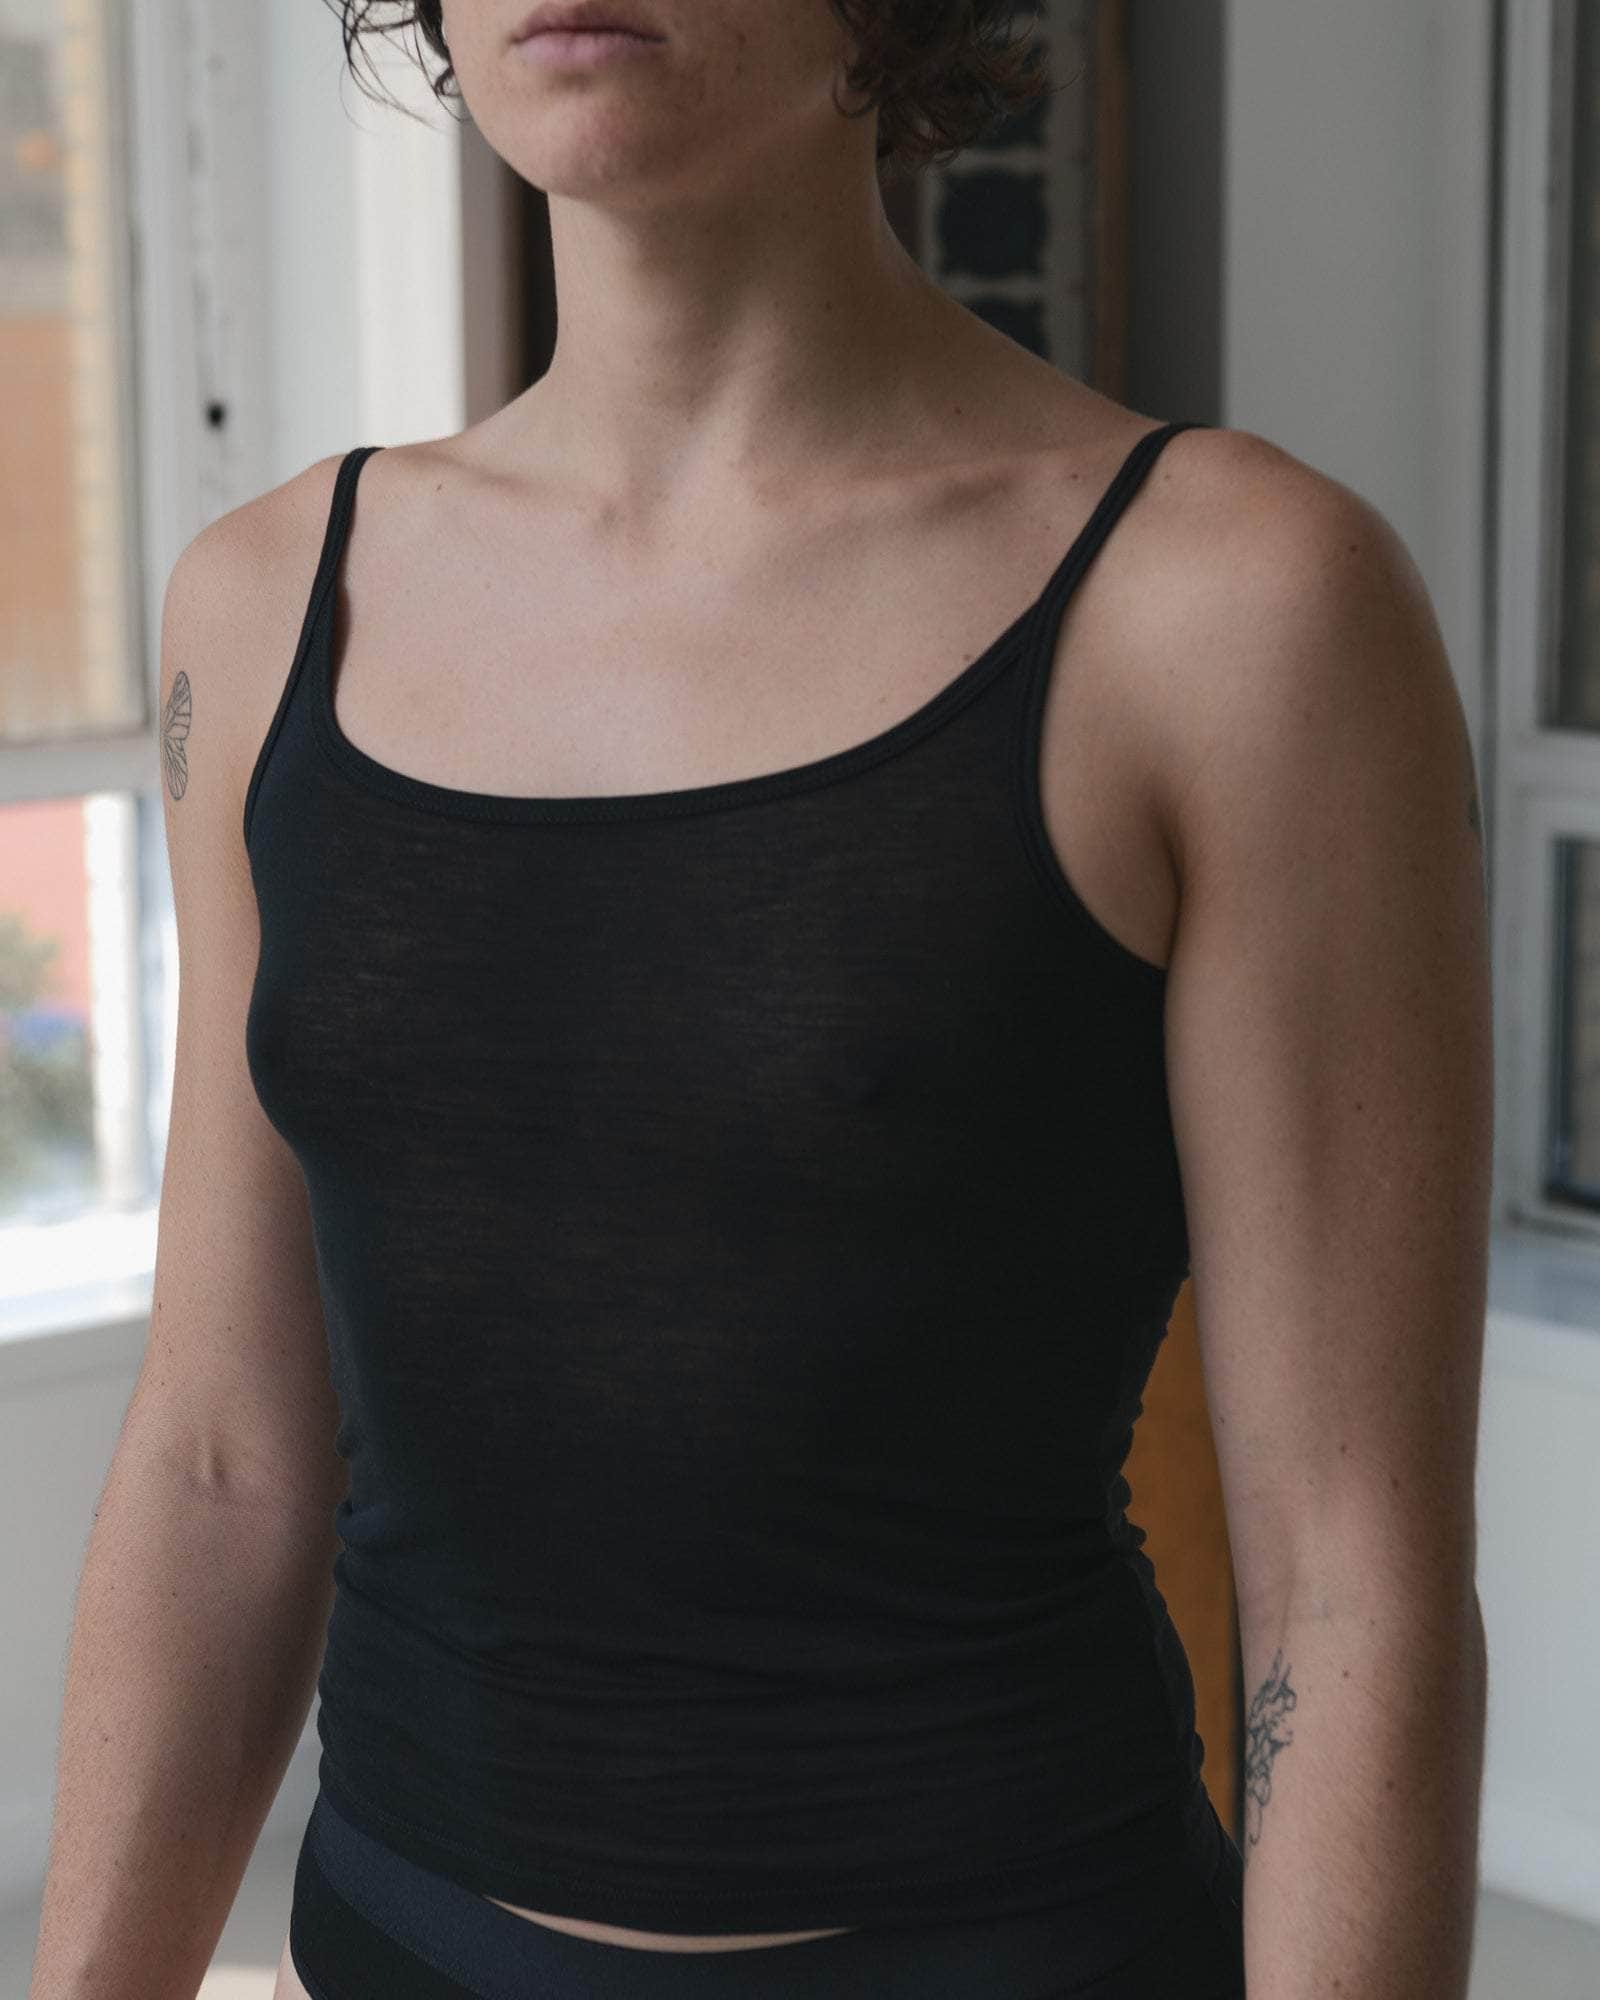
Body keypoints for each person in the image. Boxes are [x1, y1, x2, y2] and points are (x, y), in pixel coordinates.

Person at [26, 3, 1493, 1999]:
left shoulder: (1237, 601)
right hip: (390, 1945)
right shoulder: (264, 600)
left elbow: (1347, 1577)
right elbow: (219, 1453)